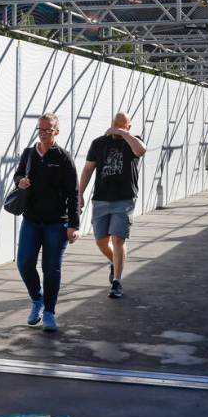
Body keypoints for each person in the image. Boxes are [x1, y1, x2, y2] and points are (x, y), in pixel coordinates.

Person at [14, 113, 80, 331]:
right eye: (40, 130)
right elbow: (18, 175)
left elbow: (73, 193)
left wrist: (74, 225)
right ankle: (37, 299)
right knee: (24, 263)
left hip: (56, 223)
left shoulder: (63, 158)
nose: (43, 134)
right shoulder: (29, 154)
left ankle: (50, 312)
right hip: (31, 220)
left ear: (56, 132)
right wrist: (20, 181)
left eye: (48, 130)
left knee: (51, 269)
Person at [79, 112, 147, 298]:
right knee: (101, 241)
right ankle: (115, 262)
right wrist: (80, 193)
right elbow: (88, 169)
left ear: (129, 127)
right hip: (101, 198)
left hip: (124, 199)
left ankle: (116, 282)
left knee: (118, 238)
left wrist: (124, 134)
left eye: (122, 126)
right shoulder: (98, 143)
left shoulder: (133, 141)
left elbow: (141, 151)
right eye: (115, 124)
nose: (117, 128)